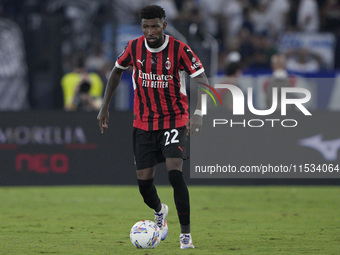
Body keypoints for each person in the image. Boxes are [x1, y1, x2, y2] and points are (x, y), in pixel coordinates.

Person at [97, 5, 208, 249]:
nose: (150, 31)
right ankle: (160, 210)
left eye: (155, 26)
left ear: (164, 25)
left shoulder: (180, 49)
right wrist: (105, 106)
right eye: (146, 26)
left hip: (174, 119)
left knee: (174, 172)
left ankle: (185, 236)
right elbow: (116, 72)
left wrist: (198, 112)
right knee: (144, 184)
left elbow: (201, 78)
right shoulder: (133, 47)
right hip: (144, 122)